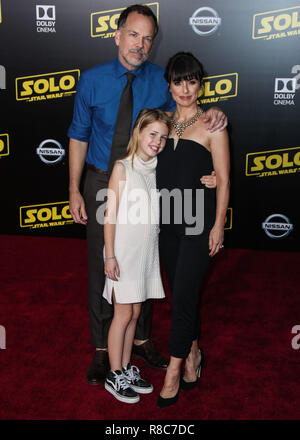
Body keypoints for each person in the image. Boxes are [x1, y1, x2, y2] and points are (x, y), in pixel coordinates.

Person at [68, 4, 227, 385]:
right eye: (134, 35)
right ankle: (102, 351)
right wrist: (73, 188)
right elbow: (78, 135)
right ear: (118, 34)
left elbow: (187, 110)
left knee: (143, 259)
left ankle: (141, 339)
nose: (140, 44)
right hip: (102, 180)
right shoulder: (91, 80)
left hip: (145, 182)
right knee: (104, 264)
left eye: (148, 38)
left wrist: (215, 112)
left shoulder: (161, 79)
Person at [156, 52, 230, 407]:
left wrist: (218, 225)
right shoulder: (159, 121)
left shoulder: (213, 125)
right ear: (169, 84)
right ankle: (195, 354)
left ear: (201, 83)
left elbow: (225, 180)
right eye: (178, 81)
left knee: (183, 297)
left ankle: (174, 370)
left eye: (192, 81)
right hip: (165, 223)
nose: (185, 89)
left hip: (199, 225)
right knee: (181, 294)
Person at [103, 108, 171, 403]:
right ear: (138, 133)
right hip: (122, 253)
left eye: (164, 137)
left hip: (145, 252)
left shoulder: (156, 168)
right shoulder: (123, 167)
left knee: (135, 312)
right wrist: (110, 256)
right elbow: (109, 216)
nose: (157, 141)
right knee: (122, 314)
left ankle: (127, 367)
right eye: (152, 133)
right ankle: (113, 373)